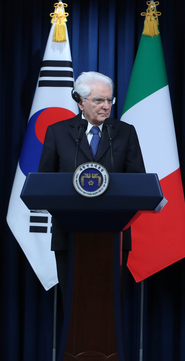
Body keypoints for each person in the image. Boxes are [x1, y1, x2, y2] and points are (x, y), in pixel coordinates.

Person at [38, 71, 145, 301]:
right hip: (69, 235)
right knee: (74, 303)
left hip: (115, 236)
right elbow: (44, 182)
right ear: (80, 102)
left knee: (109, 304)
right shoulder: (57, 132)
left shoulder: (125, 132)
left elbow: (138, 182)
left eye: (110, 100)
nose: (106, 106)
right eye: (99, 100)